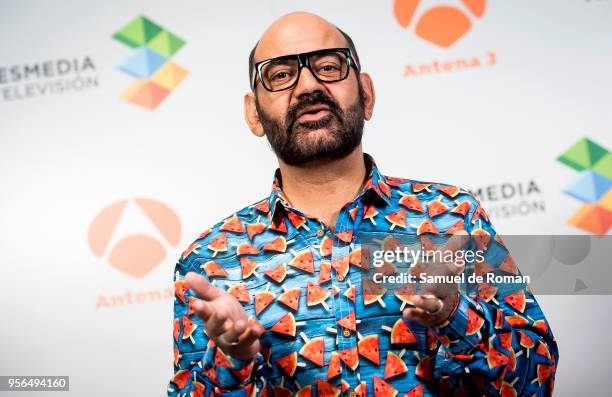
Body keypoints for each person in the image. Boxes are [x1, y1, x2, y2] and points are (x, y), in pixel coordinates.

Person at [167, 12, 558, 397]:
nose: (307, 86)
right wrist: (231, 361)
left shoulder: (454, 218)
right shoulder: (210, 263)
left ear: (366, 94)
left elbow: (535, 382)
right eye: (281, 74)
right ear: (254, 114)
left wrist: (455, 315)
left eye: (328, 66)